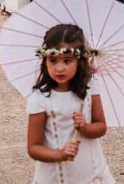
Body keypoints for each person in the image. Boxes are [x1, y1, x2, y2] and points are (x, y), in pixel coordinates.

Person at [26, 23, 113, 183]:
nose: (59, 68)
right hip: (55, 174)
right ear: (45, 61)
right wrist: (59, 154)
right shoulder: (40, 99)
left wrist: (85, 127)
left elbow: (101, 126)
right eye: (53, 60)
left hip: (89, 172)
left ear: (79, 61)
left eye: (67, 61)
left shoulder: (89, 88)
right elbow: (33, 147)